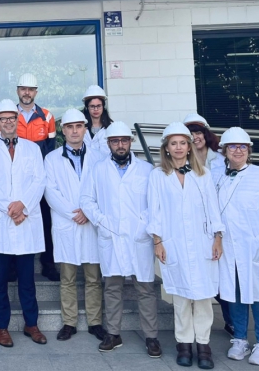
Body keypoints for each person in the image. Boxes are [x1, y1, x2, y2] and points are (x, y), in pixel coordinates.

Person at [80, 121, 162, 357]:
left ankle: (151, 337)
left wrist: (142, 224)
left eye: (124, 140)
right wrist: (102, 221)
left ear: (130, 142)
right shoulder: (98, 169)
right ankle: (113, 334)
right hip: (111, 236)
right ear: (109, 144)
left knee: (145, 289)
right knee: (113, 288)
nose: (120, 145)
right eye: (115, 141)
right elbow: (87, 200)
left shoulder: (147, 170)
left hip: (139, 238)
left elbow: (154, 203)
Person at [147, 122, 224, 369]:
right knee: (180, 297)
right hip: (173, 243)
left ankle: (203, 345)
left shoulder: (203, 175)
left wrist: (218, 237)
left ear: (189, 147)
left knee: (202, 297)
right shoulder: (158, 176)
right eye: (173, 143)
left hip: (202, 242)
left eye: (183, 143)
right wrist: (157, 241)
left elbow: (213, 208)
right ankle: (184, 344)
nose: (179, 147)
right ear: (166, 148)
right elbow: (154, 211)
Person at [0, 99, 49, 348]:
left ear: (17, 121)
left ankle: (32, 324)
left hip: (25, 221)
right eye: (3, 119)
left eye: (12, 118)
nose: (8, 122)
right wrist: (11, 208)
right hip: (2, 222)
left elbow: (39, 181)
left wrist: (24, 206)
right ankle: (2, 328)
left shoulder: (32, 149)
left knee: (27, 281)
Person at [216, 127, 259, 366]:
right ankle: (239, 339)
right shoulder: (219, 178)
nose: (238, 150)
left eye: (242, 146)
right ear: (224, 150)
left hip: (256, 249)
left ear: (249, 151)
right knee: (234, 295)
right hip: (229, 248)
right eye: (233, 146)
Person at [43, 109, 107, 342]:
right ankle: (69, 322)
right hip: (67, 223)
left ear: (85, 129)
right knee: (67, 278)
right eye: (69, 127)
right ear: (63, 130)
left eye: (78, 126)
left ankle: (95, 322)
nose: (74, 131)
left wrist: (88, 213)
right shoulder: (51, 159)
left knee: (93, 278)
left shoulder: (100, 157)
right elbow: (51, 192)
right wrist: (75, 213)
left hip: (91, 224)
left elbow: (103, 190)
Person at [183, 113, 230, 336]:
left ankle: (230, 321)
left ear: (206, 133)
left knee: (224, 277)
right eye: (190, 134)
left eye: (198, 132)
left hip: (222, 221)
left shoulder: (221, 157)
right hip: (197, 224)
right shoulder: (183, 162)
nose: (195, 137)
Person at [13, 73, 60, 281]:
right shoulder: (9, 115)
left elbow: (50, 150)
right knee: (17, 220)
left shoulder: (47, 117)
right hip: (17, 180)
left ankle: (48, 264)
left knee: (45, 221)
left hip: (41, 180)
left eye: (31, 89)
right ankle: (15, 266)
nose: (27, 92)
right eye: (23, 89)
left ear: (36, 92)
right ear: (18, 91)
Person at [81, 85, 113, 154]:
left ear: (103, 106)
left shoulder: (111, 128)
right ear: (87, 107)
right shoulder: (81, 128)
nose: (96, 109)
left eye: (98, 106)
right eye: (92, 106)